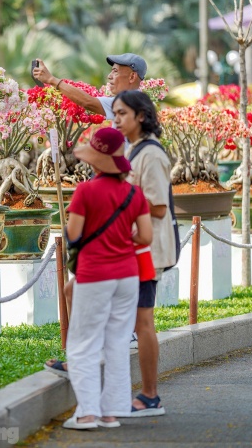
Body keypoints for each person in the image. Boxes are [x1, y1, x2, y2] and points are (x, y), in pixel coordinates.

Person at [60, 127, 152, 430]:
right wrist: (124, 240)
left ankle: (88, 413)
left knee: (83, 344)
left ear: (96, 160)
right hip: (127, 276)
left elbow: (73, 234)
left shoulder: (85, 191)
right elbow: (146, 236)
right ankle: (112, 411)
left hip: (94, 274)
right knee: (116, 343)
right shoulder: (134, 193)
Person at [111, 89, 176, 417]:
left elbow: (159, 208)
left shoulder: (151, 155)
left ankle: (150, 395)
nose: (117, 119)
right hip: (132, 248)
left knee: (143, 322)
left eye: (122, 113)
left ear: (141, 116)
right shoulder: (133, 150)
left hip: (146, 251)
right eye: (115, 113)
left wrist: (119, 196)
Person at [32, 53, 147, 120]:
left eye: (115, 71)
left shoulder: (129, 103)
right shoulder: (136, 100)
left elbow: (88, 102)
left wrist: (51, 80)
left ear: (132, 77)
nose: (109, 76)